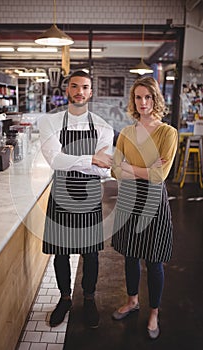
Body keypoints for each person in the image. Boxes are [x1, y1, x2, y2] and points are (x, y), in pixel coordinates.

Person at [39, 70, 114, 329]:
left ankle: (89, 298)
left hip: (90, 193)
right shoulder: (50, 123)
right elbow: (54, 160)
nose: (79, 91)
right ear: (67, 90)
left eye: (84, 87)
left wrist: (78, 162)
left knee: (90, 253)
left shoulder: (103, 126)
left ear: (91, 92)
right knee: (60, 252)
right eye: (74, 86)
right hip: (61, 191)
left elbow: (104, 169)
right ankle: (65, 298)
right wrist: (91, 158)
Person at [111, 76, 178, 339]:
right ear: (133, 100)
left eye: (147, 97)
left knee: (153, 259)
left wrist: (129, 167)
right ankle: (132, 301)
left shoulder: (167, 133)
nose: (142, 102)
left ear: (155, 99)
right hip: (129, 197)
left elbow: (159, 176)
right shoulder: (127, 133)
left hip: (153, 199)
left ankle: (153, 312)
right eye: (138, 97)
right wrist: (140, 169)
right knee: (130, 255)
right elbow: (115, 171)